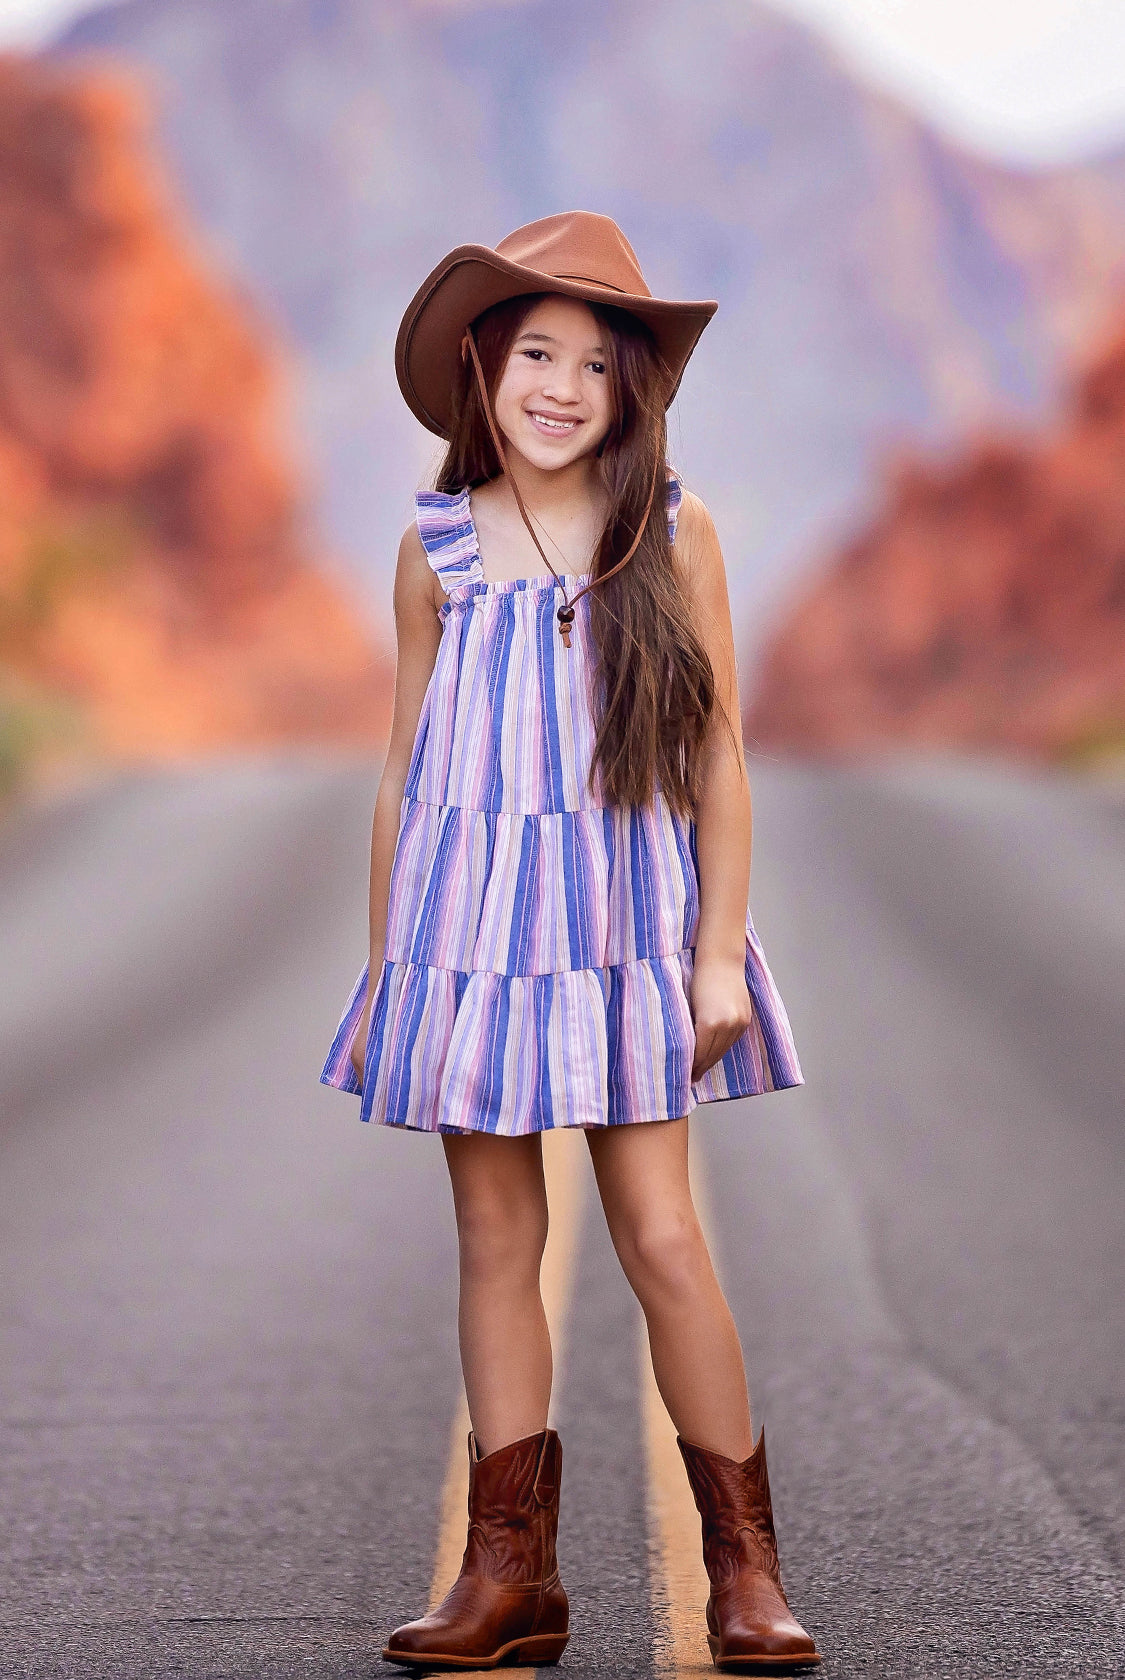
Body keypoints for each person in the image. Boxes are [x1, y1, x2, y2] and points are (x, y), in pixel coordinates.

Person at [319, 211, 821, 1673]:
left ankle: (745, 1572)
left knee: (661, 1233)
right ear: (480, 368)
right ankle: (509, 1578)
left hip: (620, 940)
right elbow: (405, 771)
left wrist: (715, 951)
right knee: (495, 1238)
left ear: (629, 393)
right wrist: (390, 965)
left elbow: (718, 752)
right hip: (462, 944)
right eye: (531, 353)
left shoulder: (671, 530)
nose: (556, 386)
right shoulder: (432, 550)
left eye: (590, 366)